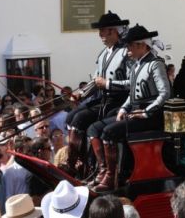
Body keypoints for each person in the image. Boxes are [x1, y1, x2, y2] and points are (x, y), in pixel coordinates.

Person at [87, 24, 170, 192]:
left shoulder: (155, 64)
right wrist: (123, 108)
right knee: (94, 128)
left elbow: (165, 93)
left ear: (141, 45)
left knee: (109, 133)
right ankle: (103, 172)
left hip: (151, 116)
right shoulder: (136, 65)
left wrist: (147, 112)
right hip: (135, 111)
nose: (127, 49)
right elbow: (131, 94)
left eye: (130, 45)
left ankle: (112, 177)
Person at [66, 11, 131, 180]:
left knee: (80, 119)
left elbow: (132, 82)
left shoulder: (126, 53)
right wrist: (81, 94)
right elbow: (96, 80)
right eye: (100, 31)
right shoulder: (103, 54)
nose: (100, 35)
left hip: (119, 101)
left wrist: (108, 84)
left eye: (103, 31)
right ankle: (74, 162)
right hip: (103, 99)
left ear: (113, 31)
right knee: (72, 117)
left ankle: (103, 170)